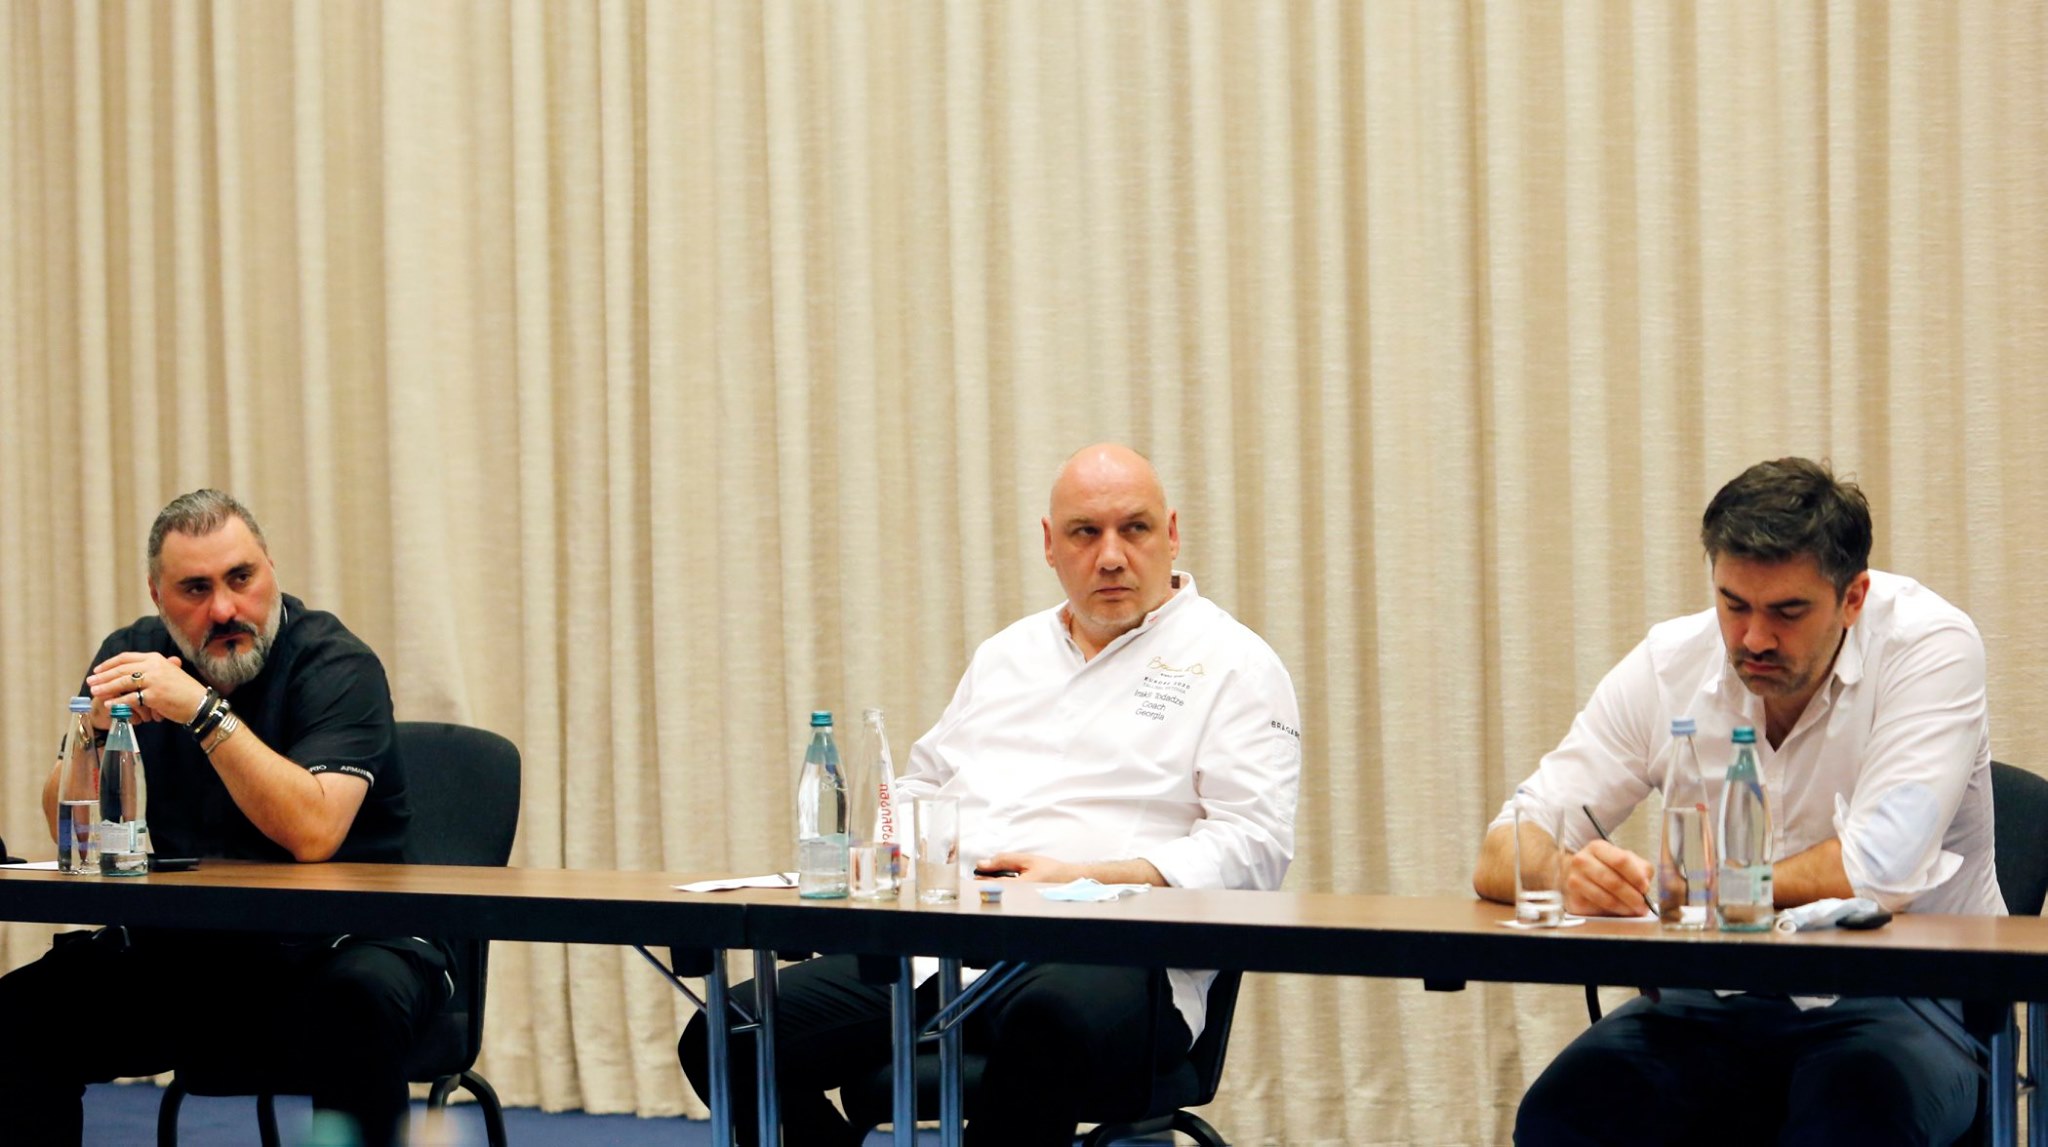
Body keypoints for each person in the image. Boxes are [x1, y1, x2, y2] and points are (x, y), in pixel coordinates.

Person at [679, 443, 1302, 1146]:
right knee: (727, 1032)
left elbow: (1255, 846)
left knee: (1045, 1023)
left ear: (1173, 533)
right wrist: (891, 851)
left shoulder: (1235, 663)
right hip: (945, 949)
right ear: (1049, 544)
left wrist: (1086, 875)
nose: (1111, 556)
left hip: (1114, 959)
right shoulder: (1008, 654)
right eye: (1085, 532)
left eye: (1134, 528)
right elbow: (922, 784)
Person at [1474, 457, 1999, 1146]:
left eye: (1787, 612)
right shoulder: (1671, 662)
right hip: (1712, 997)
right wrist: (1564, 874)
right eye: (1734, 604)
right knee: (1567, 1114)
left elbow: (1878, 870)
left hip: (1906, 997)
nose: (1754, 639)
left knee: (1849, 1116)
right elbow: (1503, 845)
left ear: (1853, 597)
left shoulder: (1929, 647)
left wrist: (1700, 887)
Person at [0, 490, 450, 1147]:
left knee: (357, 1004)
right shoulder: (132, 655)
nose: (223, 609)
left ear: (271, 568)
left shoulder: (336, 664)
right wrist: (91, 733)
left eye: (241, 578)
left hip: (340, 948)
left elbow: (313, 833)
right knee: (20, 1015)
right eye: (195, 588)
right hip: (190, 953)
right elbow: (67, 829)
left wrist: (203, 711)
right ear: (157, 595)